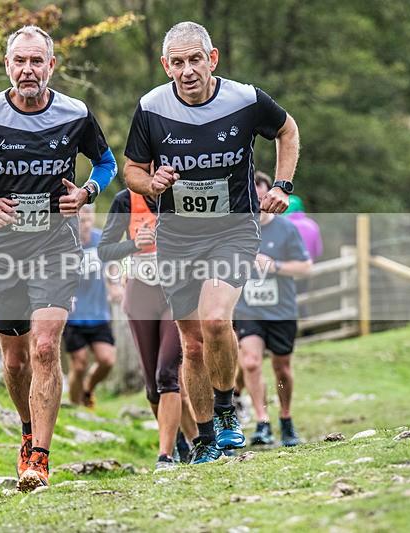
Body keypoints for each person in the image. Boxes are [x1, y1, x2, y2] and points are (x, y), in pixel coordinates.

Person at [0, 25, 116, 492]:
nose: (28, 70)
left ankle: (41, 460)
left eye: (37, 61)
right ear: (7, 65)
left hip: (56, 246)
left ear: (51, 66)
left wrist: (88, 191)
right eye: (19, 61)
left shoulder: (75, 114)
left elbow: (107, 164)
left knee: (46, 347)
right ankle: (28, 431)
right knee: (14, 362)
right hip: (4, 253)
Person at [123, 21, 300, 464]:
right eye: (177, 62)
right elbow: (131, 171)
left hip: (233, 229)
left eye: (195, 59)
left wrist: (282, 183)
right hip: (178, 237)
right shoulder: (151, 107)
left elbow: (287, 130)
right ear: (166, 66)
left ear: (212, 58)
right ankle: (203, 439)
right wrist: (151, 181)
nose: (187, 70)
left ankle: (225, 412)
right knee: (192, 342)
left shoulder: (246, 99)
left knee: (216, 321)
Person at [98, 187, 198, 469]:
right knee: (153, 387)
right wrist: (132, 244)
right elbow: (104, 250)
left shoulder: (183, 191)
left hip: (177, 289)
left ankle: (165, 456)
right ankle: (190, 442)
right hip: (141, 291)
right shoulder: (125, 200)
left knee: (167, 372)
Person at [235, 172, 312, 447]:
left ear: (270, 197)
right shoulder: (237, 229)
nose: (256, 200)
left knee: (282, 369)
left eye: (260, 195)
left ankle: (286, 418)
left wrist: (275, 266)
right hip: (248, 309)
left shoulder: (286, 229)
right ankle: (262, 421)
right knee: (251, 362)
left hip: (281, 310)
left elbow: (306, 267)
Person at [63, 205, 117, 410]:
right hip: (73, 316)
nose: (84, 225)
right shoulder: (64, 243)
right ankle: (75, 408)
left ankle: (87, 390)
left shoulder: (101, 240)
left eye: (88, 220)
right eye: (80, 221)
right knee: (79, 364)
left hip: (98, 313)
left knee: (107, 360)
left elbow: (112, 266)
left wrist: (115, 285)